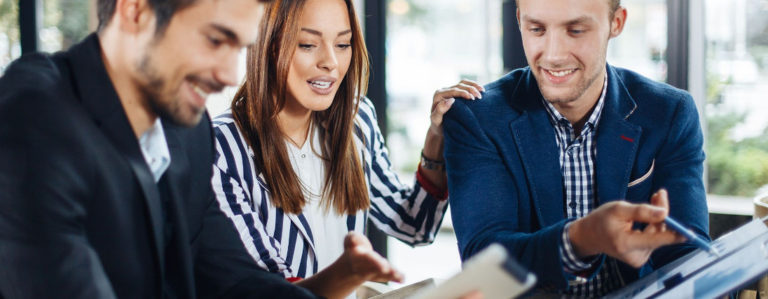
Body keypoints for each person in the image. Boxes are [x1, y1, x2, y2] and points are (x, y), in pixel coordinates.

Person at [0, 0, 322, 298]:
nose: (230, 75)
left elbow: (235, 280)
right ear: (136, 11)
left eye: (238, 48)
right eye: (214, 40)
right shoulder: (35, 117)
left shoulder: (190, 134)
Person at [210, 0, 483, 297]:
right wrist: (347, 273)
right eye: (307, 44)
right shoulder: (221, 149)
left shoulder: (357, 120)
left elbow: (414, 224)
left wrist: (436, 136)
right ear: (268, 45)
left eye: (343, 44)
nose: (330, 62)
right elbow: (269, 293)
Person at [443, 0, 708, 296]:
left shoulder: (670, 113)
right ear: (519, 20)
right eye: (537, 29)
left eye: (576, 30)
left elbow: (689, 258)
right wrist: (585, 237)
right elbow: (484, 266)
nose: (554, 55)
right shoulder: (476, 118)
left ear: (616, 23)